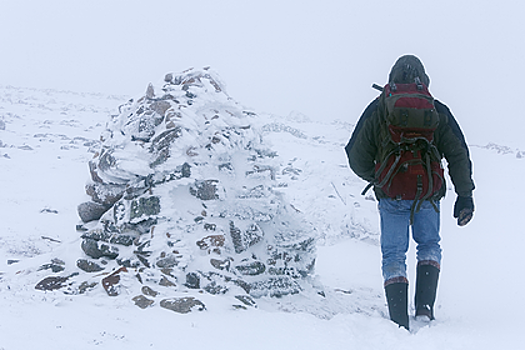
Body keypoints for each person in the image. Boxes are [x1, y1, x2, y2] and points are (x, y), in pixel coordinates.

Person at [345, 55, 475, 330]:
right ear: (424, 80)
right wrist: (465, 195)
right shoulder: (436, 109)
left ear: (392, 78)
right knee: (429, 246)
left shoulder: (379, 108)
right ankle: (425, 310)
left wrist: (381, 178)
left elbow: (356, 156)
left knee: (394, 254)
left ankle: (399, 320)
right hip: (428, 194)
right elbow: (458, 153)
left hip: (391, 195)